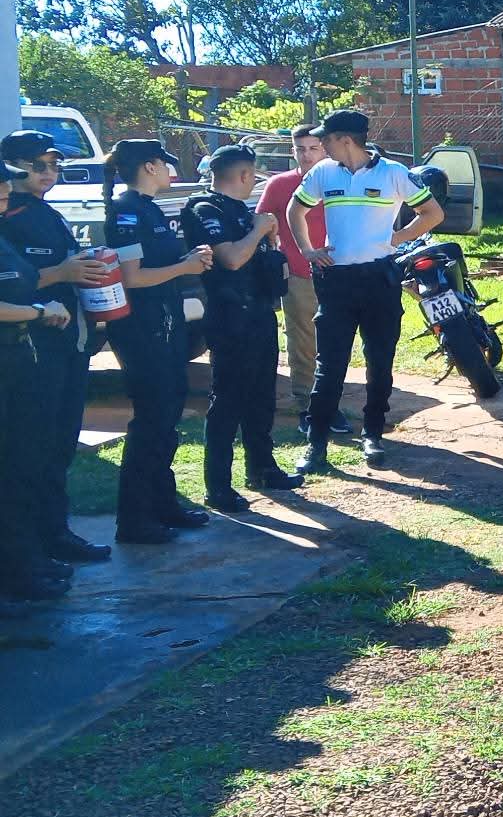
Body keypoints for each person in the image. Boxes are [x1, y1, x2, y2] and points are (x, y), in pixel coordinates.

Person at [287, 109, 443, 474]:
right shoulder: (323, 173)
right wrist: (308, 249)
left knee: (379, 361)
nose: (320, 145)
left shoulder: (394, 173)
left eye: (325, 139)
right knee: (330, 366)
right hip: (336, 281)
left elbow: (432, 213)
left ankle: (373, 434)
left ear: (345, 139)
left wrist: (397, 238)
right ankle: (316, 444)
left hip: (379, 279)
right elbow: (296, 209)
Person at [1, 129, 118, 567]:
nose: (50, 173)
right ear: (13, 167)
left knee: (60, 444)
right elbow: (16, 284)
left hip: (68, 339)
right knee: (30, 452)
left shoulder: (44, 211)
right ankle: (28, 551)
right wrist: (63, 271)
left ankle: (54, 534)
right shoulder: (8, 215)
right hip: (31, 346)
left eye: (55, 165)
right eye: (39, 165)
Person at [103, 139, 214, 545]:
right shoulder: (127, 211)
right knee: (151, 421)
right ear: (150, 166)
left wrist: (189, 262)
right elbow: (131, 277)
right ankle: (134, 520)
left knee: (167, 416)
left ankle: (163, 503)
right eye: (166, 164)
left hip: (163, 323)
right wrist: (184, 265)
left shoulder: (147, 207)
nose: (171, 171)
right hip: (141, 327)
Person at [181, 145, 304, 511]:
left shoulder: (241, 210)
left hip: (260, 312)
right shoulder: (205, 209)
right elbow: (232, 259)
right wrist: (257, 230)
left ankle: (262, 467)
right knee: (228, 400)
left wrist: (266, 237)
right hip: (230, 316)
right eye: (254, 174)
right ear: (244, 175)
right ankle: (217, 485)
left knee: (261, 396)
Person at [0, 229, 79, 603]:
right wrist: (37, 311)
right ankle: (18, 575)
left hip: (19, 364)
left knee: (23, 468)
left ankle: (28, 562)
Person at [256, 122, 350, 435]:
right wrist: (276, 256)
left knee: (337, 343)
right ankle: (307, 407)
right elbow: (262, 221)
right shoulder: (280, 185)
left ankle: (331, 404)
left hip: (342, 273)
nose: (307, 155)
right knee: (302, 343)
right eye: (300, 149)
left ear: (325, 148)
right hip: (299, 274)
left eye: (313, 148)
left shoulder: (344, 179)